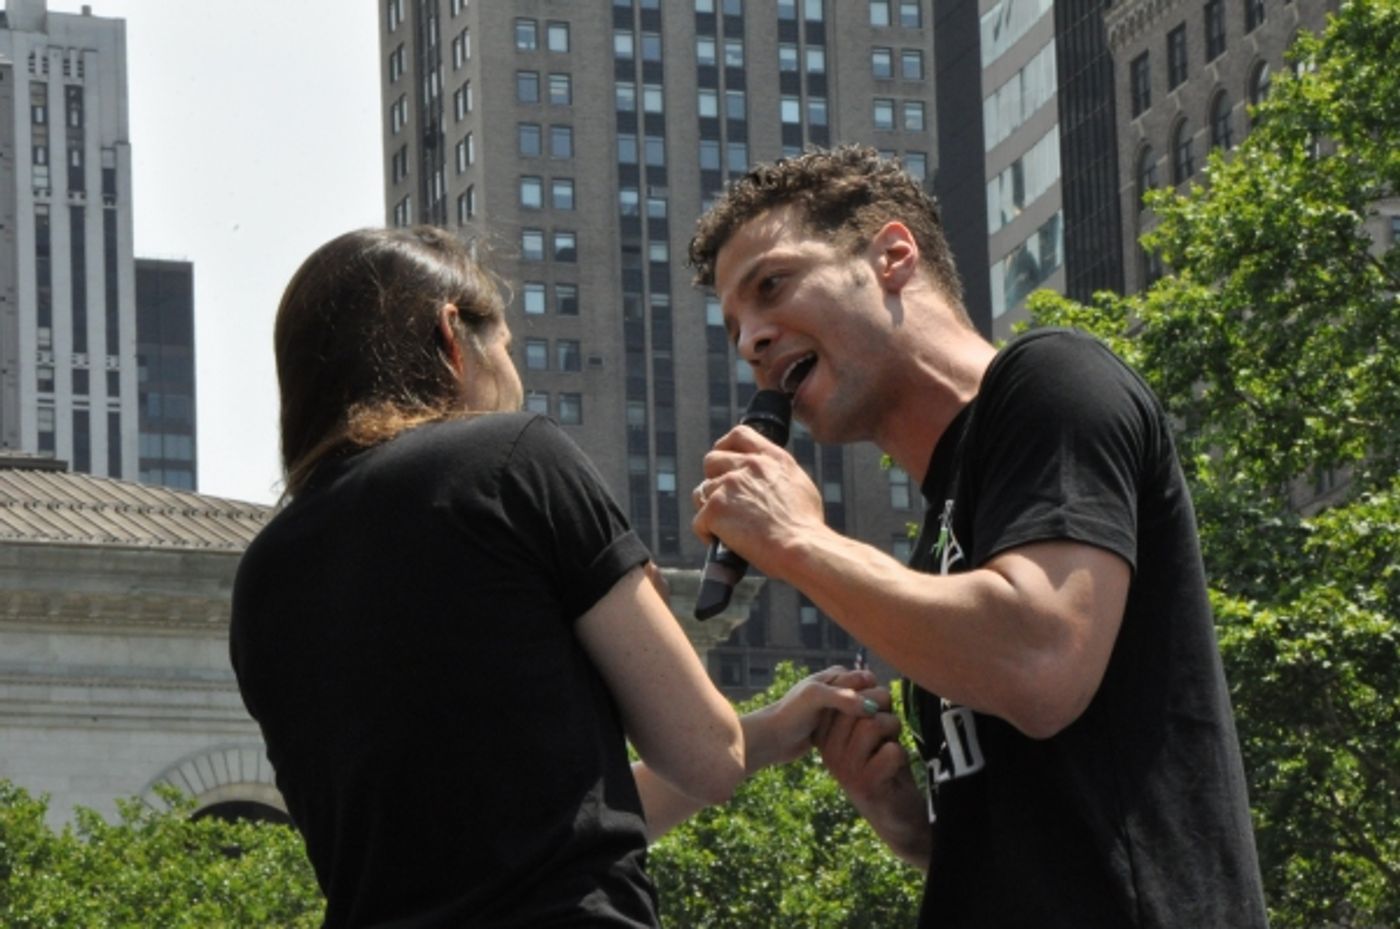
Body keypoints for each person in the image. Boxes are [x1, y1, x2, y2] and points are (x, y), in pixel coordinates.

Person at [229, 226, 880, 928]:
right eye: (505, 347)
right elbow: (708, 757)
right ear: (453, 333)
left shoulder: (264, 577)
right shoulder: (510, 459)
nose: (514, 378)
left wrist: (772, 729)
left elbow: (555, 821)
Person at [687, 146, 1268, 928]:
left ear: (893, 255)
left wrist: (797, 538)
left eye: (772, 286)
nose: (751, 339)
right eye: (735, 327)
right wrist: (910, 824)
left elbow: (1041, 662)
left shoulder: (1055, 382)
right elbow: (1055, 834)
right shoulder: (938, 543)